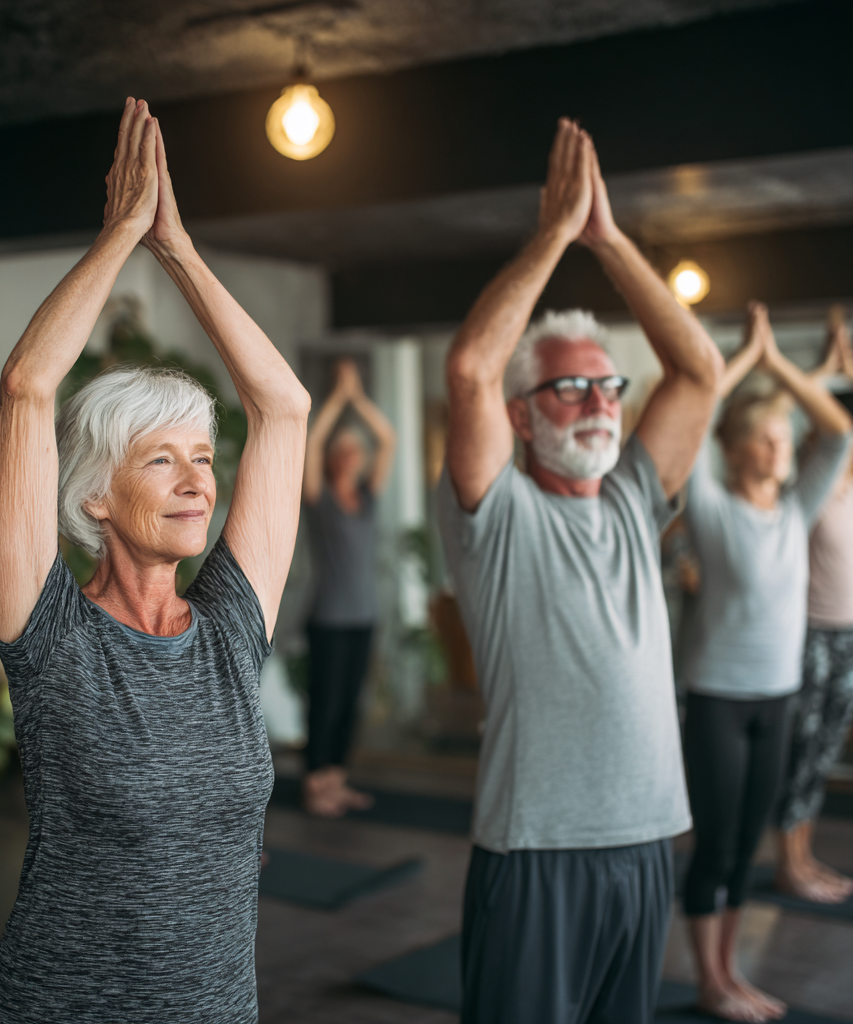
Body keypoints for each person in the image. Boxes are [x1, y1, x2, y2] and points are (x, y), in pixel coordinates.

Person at [0, 98, 309, 1023]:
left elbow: (284, 408)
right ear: (94, 497)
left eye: (203, 457)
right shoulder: (50, 637)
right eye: (160, 459)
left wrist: (180, 250)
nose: (198, 480)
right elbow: (27, 387)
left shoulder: (232, 629)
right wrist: (123, 232)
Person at [439, 117, 722, 1024]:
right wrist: (557, 234)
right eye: (571, 387)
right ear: (523, 416)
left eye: (608, 386)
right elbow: (473, 367)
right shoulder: (499, 513)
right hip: (537, 853)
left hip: (645, 846)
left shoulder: (637, 498)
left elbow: (700, 369)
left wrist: (611, 240)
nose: (600, 403)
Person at [680, 301, 852, 1021]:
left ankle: (730, 969)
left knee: (748, 845)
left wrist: (779, 364)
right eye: (772, 436)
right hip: (718, 698)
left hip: (777, 697)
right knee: (716, 847)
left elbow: (839, 431)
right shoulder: (711, 509)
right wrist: (743, 365)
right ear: (741, 446)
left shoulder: (795, 511)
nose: (785, 447)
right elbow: (690, 424)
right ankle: (711, 981)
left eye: (786, 436)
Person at [773, 310, 853, 903]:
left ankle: (804, 856)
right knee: (799, 752)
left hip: (849, 637)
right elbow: (807, 416)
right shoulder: (814, 482)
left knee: (823, 752)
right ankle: (788, 864)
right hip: (809, 636)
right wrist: (827, 369)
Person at [301, 358, 395, 817]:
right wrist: (339, 399)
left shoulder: (368, 501)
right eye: (346, 450)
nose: (355, 455)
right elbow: (311, 441)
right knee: (326, 702)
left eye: (358, 450)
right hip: (330, 618)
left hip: (363, 615)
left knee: (350, 705)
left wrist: (359, 399)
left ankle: (336, 780)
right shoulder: (319, 502)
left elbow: (389, 440)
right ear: (334, 459)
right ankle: (317, 785)